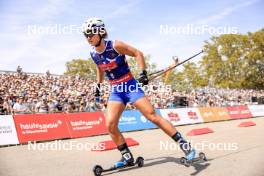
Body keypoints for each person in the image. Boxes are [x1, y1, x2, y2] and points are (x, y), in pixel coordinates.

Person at [82, 18, 196, 167]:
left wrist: (143, 73)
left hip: (130, 86)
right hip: (117, 90)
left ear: (100, 32)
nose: (88, 37)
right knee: (110, 125)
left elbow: (137, 53)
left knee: (153, 116)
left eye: (91, 33)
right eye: (85, 34)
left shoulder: (115, 45)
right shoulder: (93, 53)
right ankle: (127, 157)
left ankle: (186, 147)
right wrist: (98, 86)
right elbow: (99, 68)